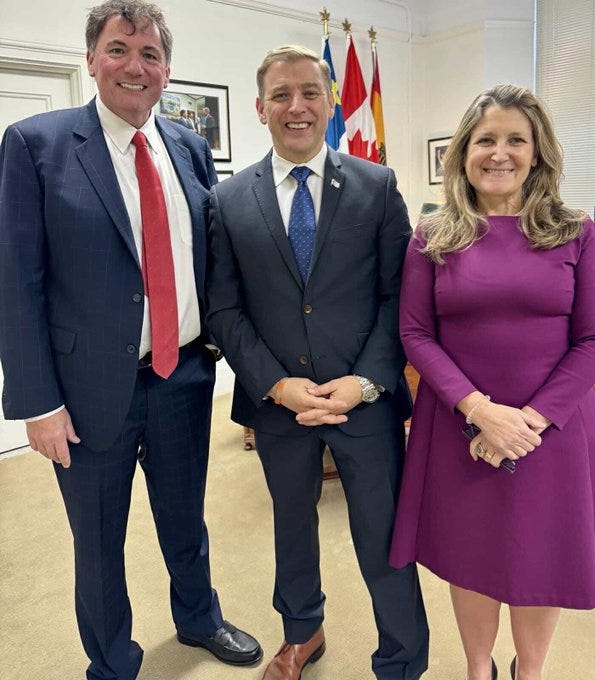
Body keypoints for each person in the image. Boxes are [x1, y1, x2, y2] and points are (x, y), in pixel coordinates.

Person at [0, 1, 261, 679]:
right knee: (98, 540)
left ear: (167, 70)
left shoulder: (189, 147)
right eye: (118, 49)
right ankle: (112, 660)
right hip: (86, 394)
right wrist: (36, 403)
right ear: (90, 60)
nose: (133, 66)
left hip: (182, 378)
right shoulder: (36, 144)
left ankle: (199, 618)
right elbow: (16, 282)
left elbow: (208, 259)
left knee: (186, 518)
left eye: (149, 54)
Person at [206, 45, 429, 680]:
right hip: (279, 407)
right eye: (281, 95)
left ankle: (402, 657)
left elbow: (399, 297)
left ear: (330, 105)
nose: (296, 106)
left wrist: (364, 382)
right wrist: (277, 384)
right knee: (291, 528)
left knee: (384, 536)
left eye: (310, 93)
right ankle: (302, 632)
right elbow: (224, 310)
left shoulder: (377, 187)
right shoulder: (226, 200)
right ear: (259, 107)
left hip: (365, 398)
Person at [389, 84, 595, 680]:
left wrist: (527, 422)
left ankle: (529, 672)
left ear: (537, 153)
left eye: (517, 139)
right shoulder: (431, 237)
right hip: (460, 425)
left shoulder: (575, 232)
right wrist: (481, 412)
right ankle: (478, 668)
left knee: (542, 558)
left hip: (554, 430)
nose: (500, 152)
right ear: (463, 152)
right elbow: (415, 333)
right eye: (485, 139)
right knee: (473, 556)